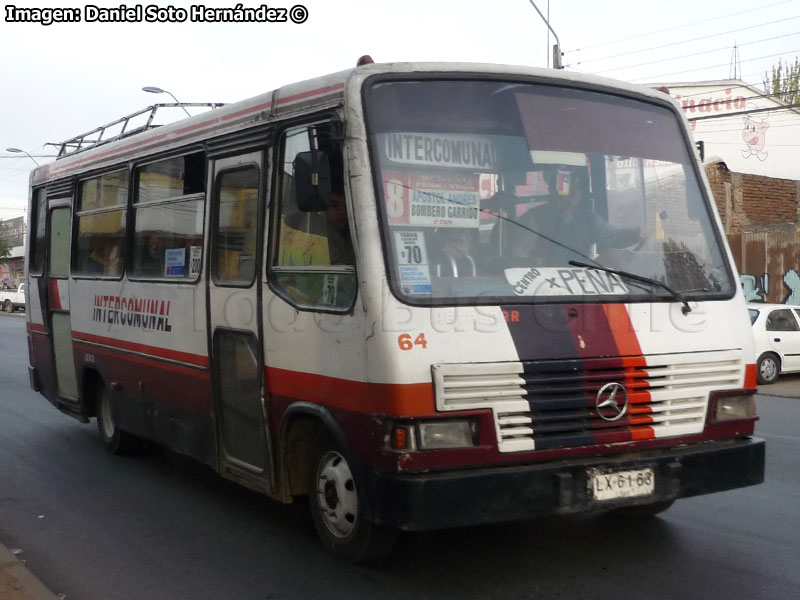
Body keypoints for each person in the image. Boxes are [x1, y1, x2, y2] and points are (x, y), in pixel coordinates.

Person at [515, 167, 642, 265]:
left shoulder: (589, 219)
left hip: (579, 283)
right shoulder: (535, 217)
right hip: (540, 285)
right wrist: (530, 264)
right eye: (570, 187)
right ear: (554, 191)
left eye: (578, 187)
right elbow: (519, 252)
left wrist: (636, 235)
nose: (575, 192)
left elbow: (612, 237)